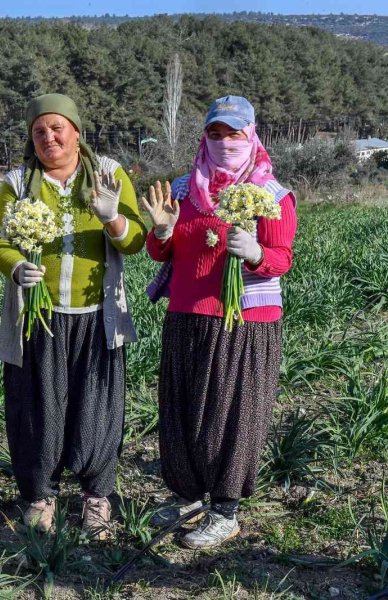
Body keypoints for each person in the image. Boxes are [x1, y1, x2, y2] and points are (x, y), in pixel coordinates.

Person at [143, 95, 297, 549]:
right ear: (203, 136)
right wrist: (162, 230)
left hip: (246, 320)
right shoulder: (183, 189)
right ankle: (191, 497)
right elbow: (162, 254)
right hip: (188, 315)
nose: (225, 141)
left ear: (251, 135)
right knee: (184, 410)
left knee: (231, 415)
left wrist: (255, 254)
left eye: (235, 132)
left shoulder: (272, 193)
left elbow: (281, 258)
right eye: (216, 132)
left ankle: (225, 510)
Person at [0, 94, 146, 538]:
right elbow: (2, 241)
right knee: (39, 406)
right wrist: (18, 267)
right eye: (39, 131)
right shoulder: (19, 183)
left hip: (97, 314)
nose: (48, 137)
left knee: (96, 405)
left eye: (57, 128)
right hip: (41, 316)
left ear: (77, 131)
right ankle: (39, 495)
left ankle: (96, 497)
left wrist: (114, 219)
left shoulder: (109, 175)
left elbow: (134, 241)